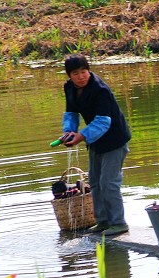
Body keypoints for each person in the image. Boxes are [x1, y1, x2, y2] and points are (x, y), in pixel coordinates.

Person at [57, 54, 131, 236]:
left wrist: (80, 136)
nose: (81, 76)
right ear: (69, 75)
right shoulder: (70, 88)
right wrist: (68, 132)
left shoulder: (100, 90)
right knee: (96, 183)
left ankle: (118, 223)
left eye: (84, 71)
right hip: (96, 141)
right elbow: (71, 113)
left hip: (115, 140)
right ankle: (103, 221)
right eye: (76, 73)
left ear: (89, 70)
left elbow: (103, 122)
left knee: (109, 183)